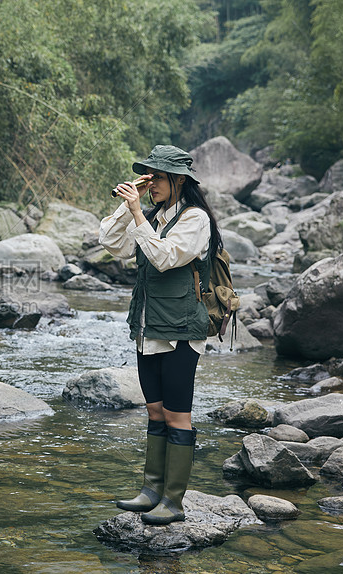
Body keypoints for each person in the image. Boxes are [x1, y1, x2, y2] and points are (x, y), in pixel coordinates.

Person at [97, 144, 222, 525]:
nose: (151, 185)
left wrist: (138, 213)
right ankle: (151, 490)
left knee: (176, 414)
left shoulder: (196, 218)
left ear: (179, 180)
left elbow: (165, 257)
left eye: (158, 178)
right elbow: (111, 243)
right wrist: (129, 205)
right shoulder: (153, 214)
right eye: (148, 178)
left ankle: (173, 501)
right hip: (149, 327)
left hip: (182, 329)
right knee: (154, 410)